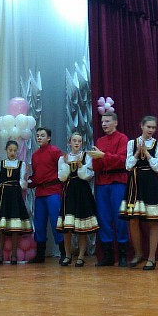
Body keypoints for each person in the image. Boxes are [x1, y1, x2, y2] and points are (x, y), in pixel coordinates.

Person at [119, 116, 158, 271]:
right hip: (135, 183)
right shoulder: (131, 143)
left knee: (153, 221)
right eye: (148, 127)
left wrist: (147, 153)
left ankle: (151, 258)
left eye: (153, 127)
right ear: (141, 126)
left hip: (151, 183)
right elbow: (128, 166)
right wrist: (137, 153)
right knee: (133, 220)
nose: (151, 130)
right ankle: (138, 253)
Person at [88, 112, 129, 266]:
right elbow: (97, 166)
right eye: (102, 122)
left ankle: (123, 255)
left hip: (118, 181)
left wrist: (103, 156)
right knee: (104, 218)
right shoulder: (100, 140)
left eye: (107, 121)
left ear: (115, 122)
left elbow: (122, 160)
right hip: (102, 183)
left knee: (120, 218)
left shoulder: (122, 139)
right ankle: (108, 255)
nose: (104, 124)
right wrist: (97, 159)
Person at [0, 140, 33, 265]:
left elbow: (23, 185)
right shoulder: (0, 163)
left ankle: (14, 255)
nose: (13, 152)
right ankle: (0, 255)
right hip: (3, 197)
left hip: (15, 196)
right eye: (10, 150)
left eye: (15, 150)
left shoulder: (21, 164)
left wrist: (25, 176)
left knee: (15, 227)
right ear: (6, 150)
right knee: (2, 226)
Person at [56, 132, 98, 267]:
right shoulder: (63, 158)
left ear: (82, 143)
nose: (77, 143)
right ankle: (68, 255)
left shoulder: (87, 157)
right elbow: (61, 177)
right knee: (67, 226)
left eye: (79, 141)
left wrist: (81, 166)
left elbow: (88, 176)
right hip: (69, 191)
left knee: (82, 225)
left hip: (82, 191)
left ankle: (81, 256)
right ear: (69, 143)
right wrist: (66, 165)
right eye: (74, 141)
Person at [27, 127, 65, 264]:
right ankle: (40, 255)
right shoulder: (35, 155)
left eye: (42, 135)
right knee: (39, 223)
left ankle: (64, 253)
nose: (39, 138)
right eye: (37, 135)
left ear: (49, 138)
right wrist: (27, 181)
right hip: (40, 193)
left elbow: (63, 170)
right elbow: (36, 176)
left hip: (53, 191)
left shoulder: (55, 151)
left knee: (56, 222)